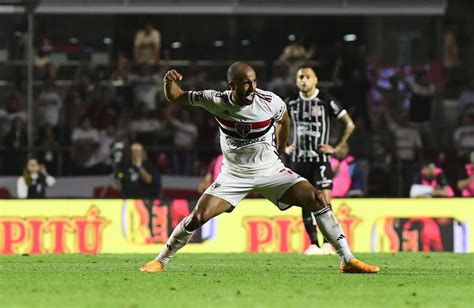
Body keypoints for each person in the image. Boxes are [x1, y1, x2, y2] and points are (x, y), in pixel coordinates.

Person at [139, 62, 379, 273]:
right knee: (198, 217)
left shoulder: (269, 101)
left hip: (270, 171)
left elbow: (284, 119)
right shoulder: (215, 100)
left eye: (254, 82)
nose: (252, 88)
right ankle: (161, 260)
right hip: (234, 175)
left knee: (317, 199)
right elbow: (177, 96)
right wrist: (168, 82)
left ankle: (347, 259)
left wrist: (281, 148)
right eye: (245, 83)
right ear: (231, 85)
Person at [285, 65, 355, 256]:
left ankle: (327, 244)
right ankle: (313, 244)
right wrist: (284, 145)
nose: (303, 80)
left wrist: (336, 147)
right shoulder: (290, 102)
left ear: (315, 80)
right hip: (299, 160)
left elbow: (349, 124)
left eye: (307, 77)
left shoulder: (325, 100)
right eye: (300, 77)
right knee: (305, 200)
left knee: (324, 200)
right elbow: (276, 123)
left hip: (321, 159)